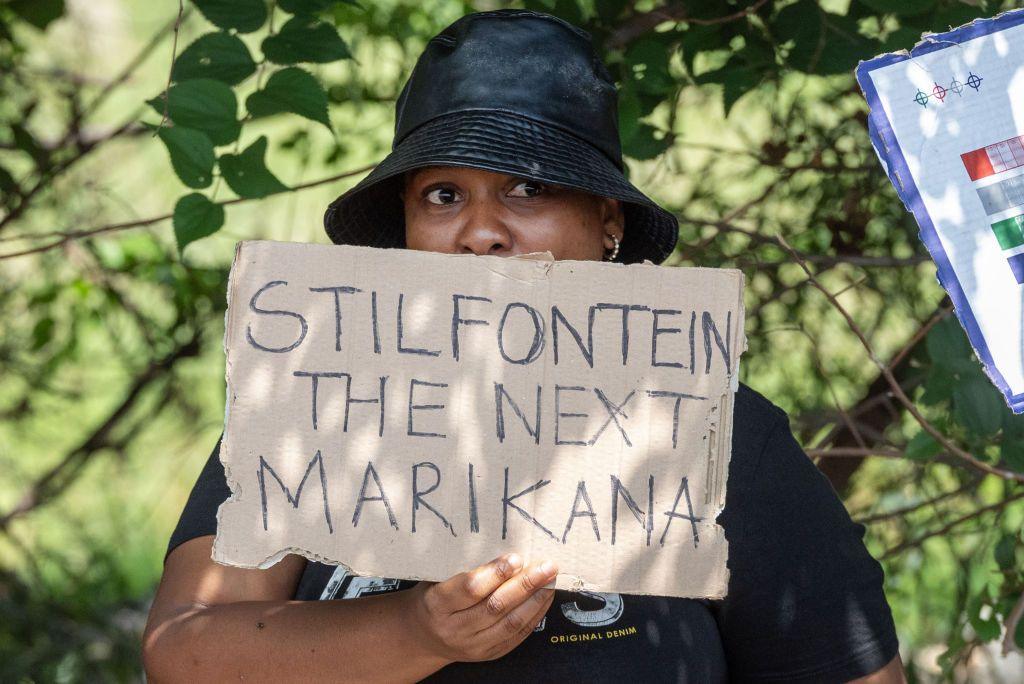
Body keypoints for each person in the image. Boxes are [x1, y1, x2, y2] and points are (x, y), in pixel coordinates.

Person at [142, 9, 906, 682]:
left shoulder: (715, 437)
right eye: (444, 196)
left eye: (529, 189)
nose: (481, 233)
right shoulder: (319, 407)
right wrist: (416, 633)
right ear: (407, 228)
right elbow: (188, 651)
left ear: (608, 223)